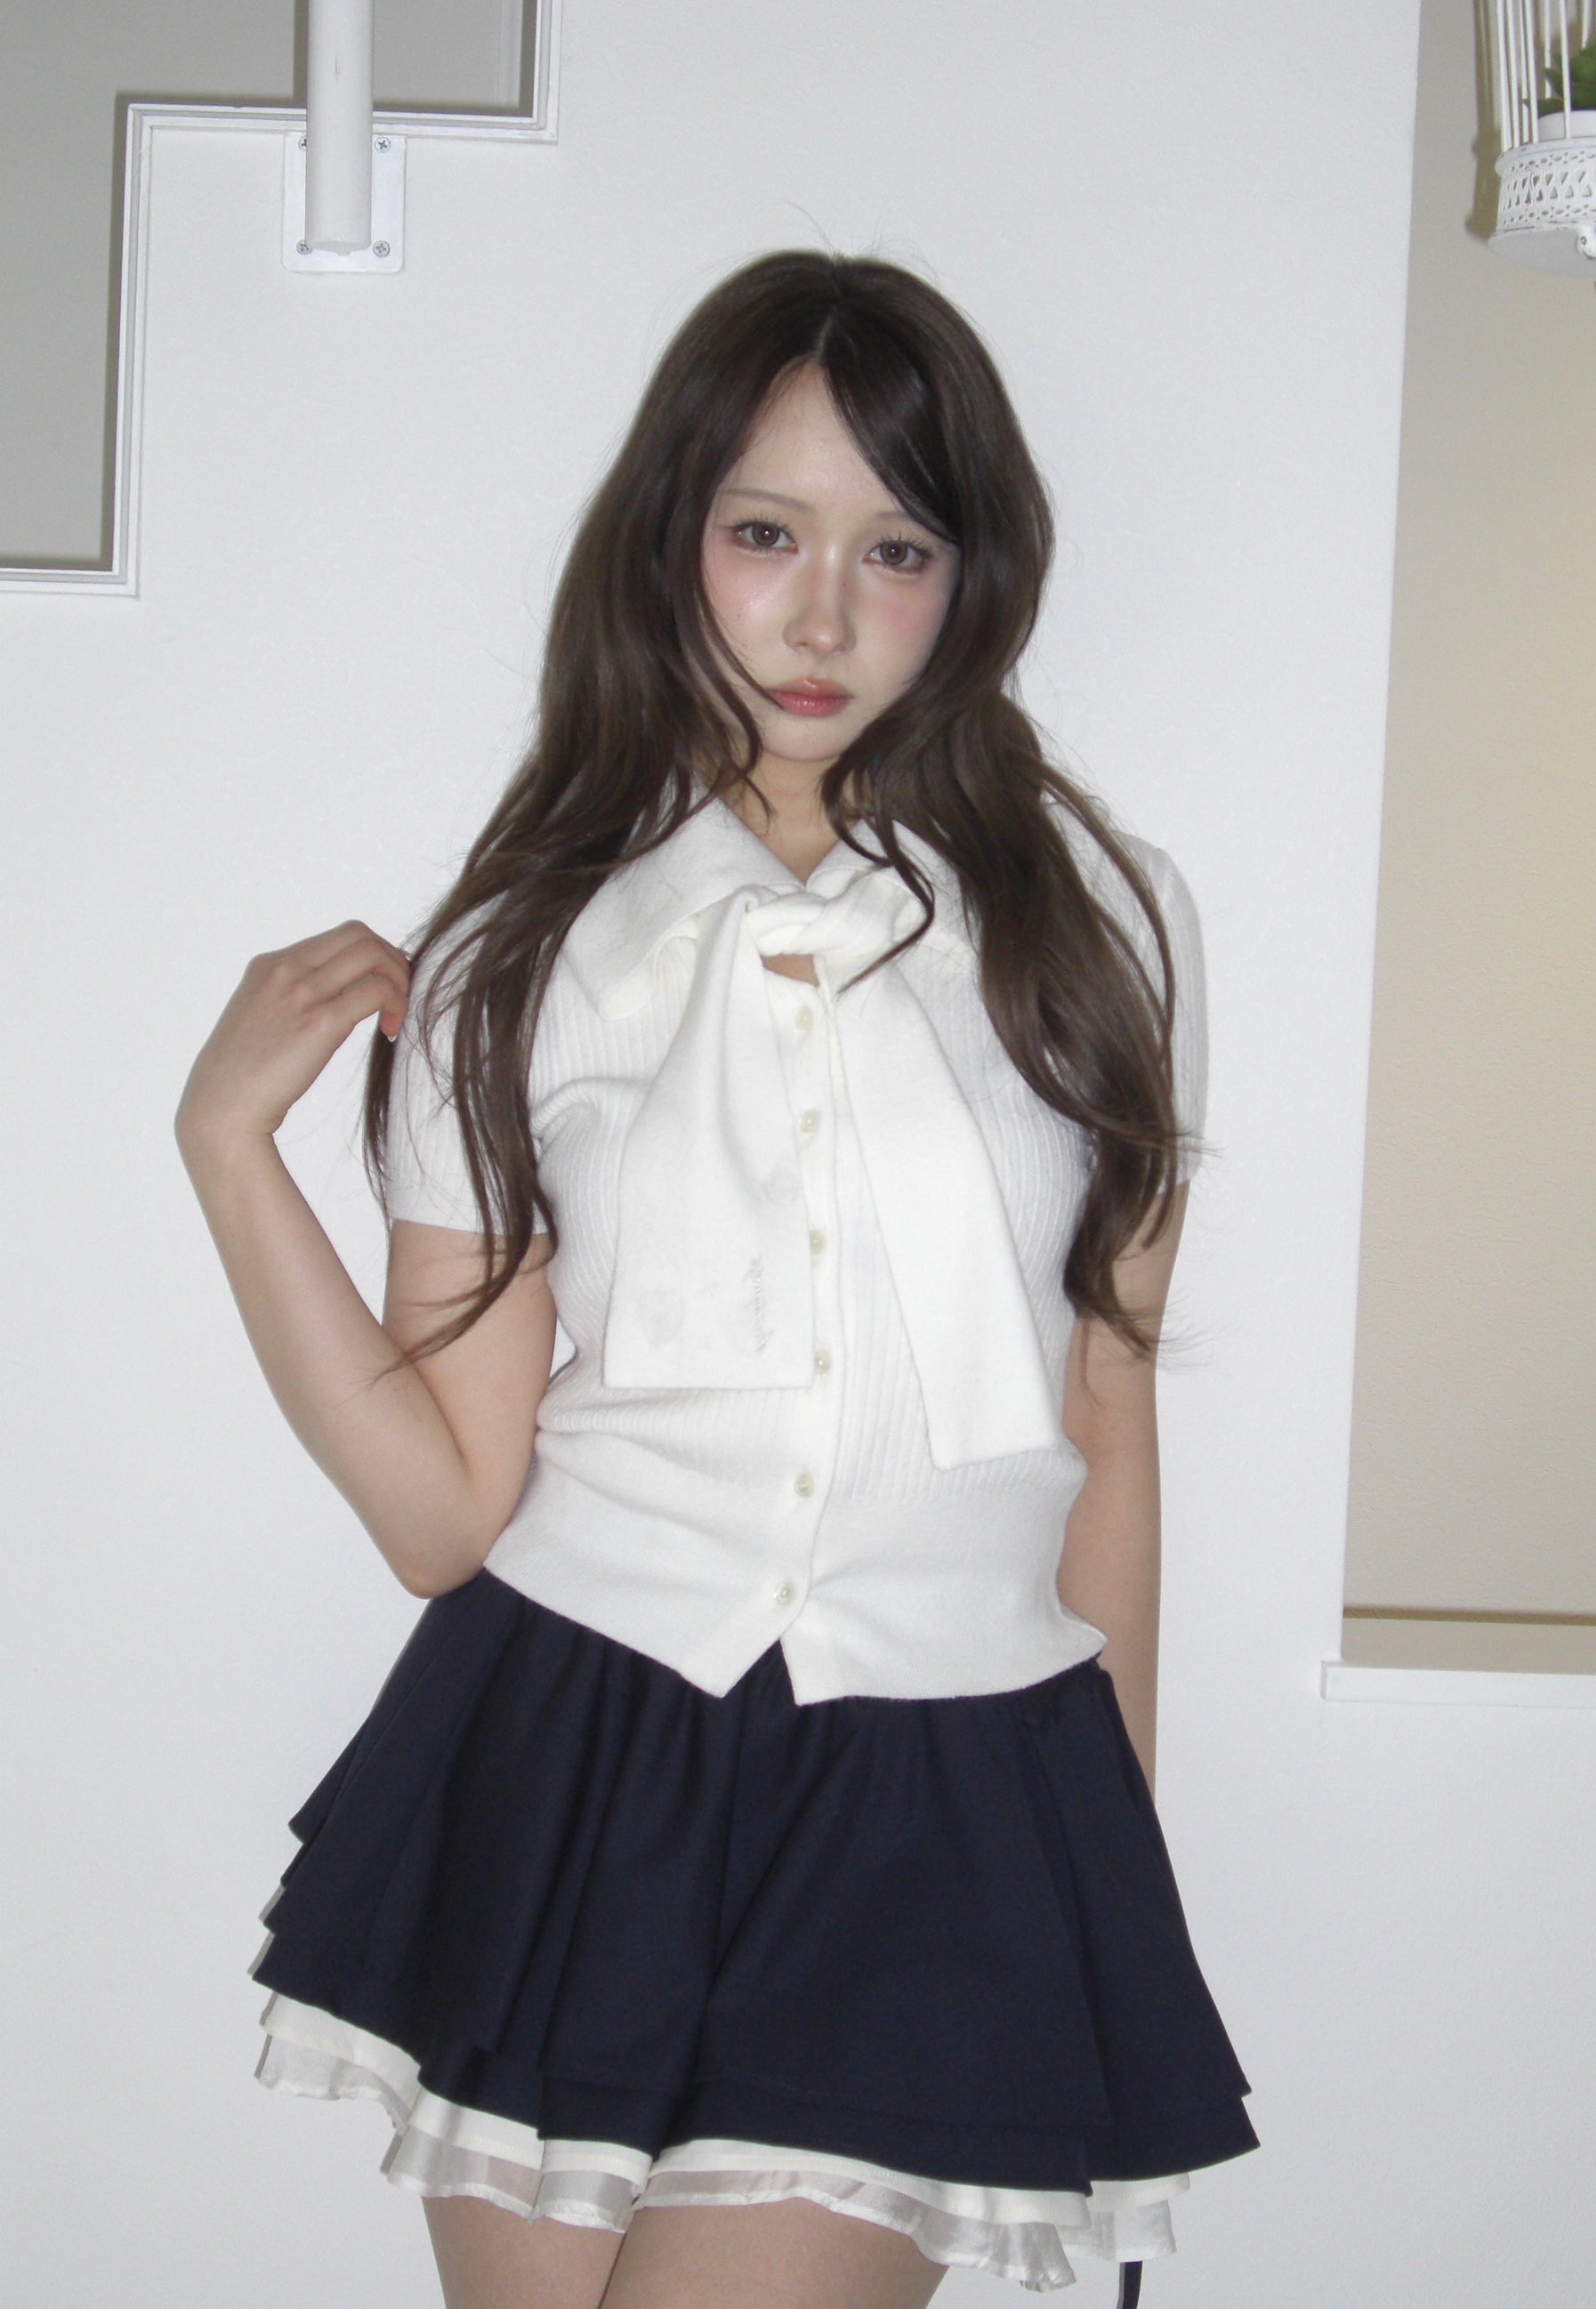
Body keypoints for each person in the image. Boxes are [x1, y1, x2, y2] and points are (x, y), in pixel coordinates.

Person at [174, 249, 1255, 2309]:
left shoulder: (1106, 921)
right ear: (673, 536)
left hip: (945, 1780)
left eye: (894, 546)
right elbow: (442, 1508)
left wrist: (1105, 1866)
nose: (823, 614)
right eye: (767, 533)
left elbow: (1102, 1414)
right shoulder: (524, 947)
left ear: (972, 572)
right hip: (575, 1748)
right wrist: (231, 1153)